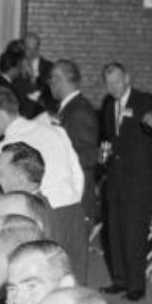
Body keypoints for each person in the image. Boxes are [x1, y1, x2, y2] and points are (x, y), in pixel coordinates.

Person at [0, 86, 87, 283]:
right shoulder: (55, 130)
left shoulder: (5, 149)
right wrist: (72, 204)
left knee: (43, 282)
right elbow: (78, 175)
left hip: (40, 215)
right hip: (74, 212)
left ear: (1, 114)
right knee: (75, 282)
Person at [98, 62, 152, 302]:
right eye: (108, 83)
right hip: (116, 178)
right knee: (115, 232)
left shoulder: (144, 101)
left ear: (127, 78)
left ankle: (136, 286)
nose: (113, 87)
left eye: (116, 81)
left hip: (139, 180)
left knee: (135, 234)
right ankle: (120, 280)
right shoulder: (108, 106)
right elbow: (111, 139)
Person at [48, 59, 99, 237]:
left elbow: (89, 155)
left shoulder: (78, 111)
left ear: (59, 79)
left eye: (51, 79)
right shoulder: (69, 108)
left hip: (76, 199)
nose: (50, 84)